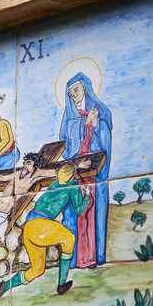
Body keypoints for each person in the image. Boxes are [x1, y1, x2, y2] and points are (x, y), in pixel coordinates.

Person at [0, 163, 90, 298]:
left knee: (37, 270)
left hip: (29, 227)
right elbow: (79, 210)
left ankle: (6, 285)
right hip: (41, 227)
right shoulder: (72, 185)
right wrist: (87, 196)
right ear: (71, 177)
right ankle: (61, 284)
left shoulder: (53, 185)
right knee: (70, 238)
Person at [59, 73, 111, 268]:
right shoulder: (70, 117)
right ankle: (75, 259)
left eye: (76, 90)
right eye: (70, 92)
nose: (74, 95)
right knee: (76, 214)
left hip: (93, 171)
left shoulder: (99, 111)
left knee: (91, 212)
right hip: (76, 172)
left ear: (86, 89)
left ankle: (91, 258)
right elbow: (66, 141)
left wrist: (96, 124)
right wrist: (83, 123)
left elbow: (105, 133)